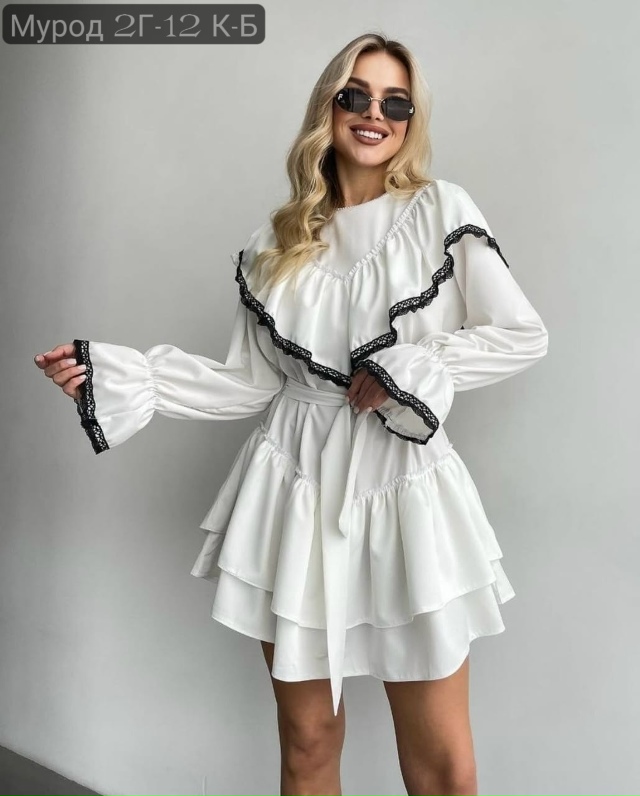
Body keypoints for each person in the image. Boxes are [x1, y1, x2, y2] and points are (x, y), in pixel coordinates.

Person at [34, 32, 548, 796]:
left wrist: (412, 370)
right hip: (295, 487)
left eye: (396, 103)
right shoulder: (274, 244)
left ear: (412, 120)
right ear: (327, 107)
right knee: (307, 743)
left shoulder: (442, 209)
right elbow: (247, 383)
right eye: (356, 96)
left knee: (443, 764)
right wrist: (116, 377)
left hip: (403, 484)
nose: (376, 115)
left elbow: (521, 334)